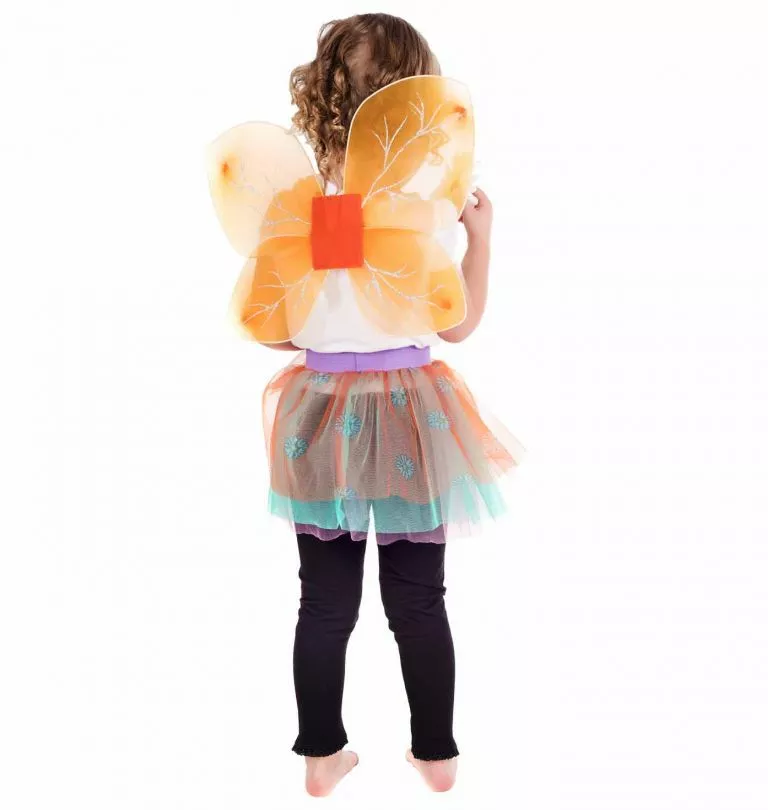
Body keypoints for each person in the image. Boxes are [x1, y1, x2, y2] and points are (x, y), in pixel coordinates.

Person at [207, 12, 521, 796]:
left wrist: (332, 321)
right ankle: (437, 757)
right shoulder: (421, 204)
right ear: (415, 97)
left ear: (322, 96)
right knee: (419, 599)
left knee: (323, 603)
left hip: (316, 415)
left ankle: (321, 757)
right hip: (412, 412)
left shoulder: (294, 206)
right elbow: (459, 326)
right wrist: (480, 239)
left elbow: (277, 333)